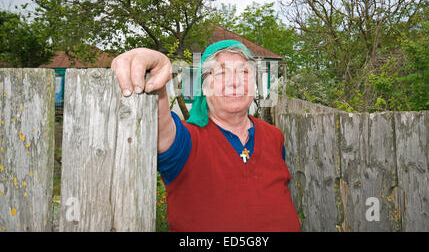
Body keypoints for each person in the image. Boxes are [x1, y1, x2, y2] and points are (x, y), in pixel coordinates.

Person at [111, 40, 301, 232]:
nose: (234, 82)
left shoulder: (274, 137)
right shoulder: (187, 140)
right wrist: (154, 66)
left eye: (244, 72)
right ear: (203, 86)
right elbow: (163, 130)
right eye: (221, 73)